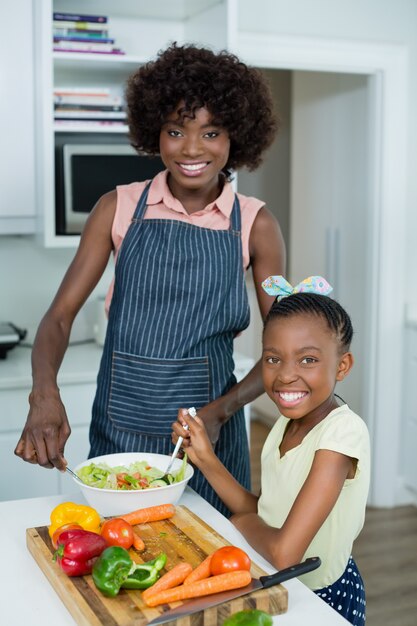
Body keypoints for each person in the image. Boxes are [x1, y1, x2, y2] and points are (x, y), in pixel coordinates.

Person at [14, 43, 286, 516]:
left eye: (212, 132)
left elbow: (281, 349)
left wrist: (219, 413)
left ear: (236, 137)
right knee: (123, 552)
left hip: (210, 431)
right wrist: (44, 395)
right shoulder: (116, 208)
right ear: (153, 132)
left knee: (212, 558)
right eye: (176, 130)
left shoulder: (255, 224)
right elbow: (58, 318)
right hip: (122, 423)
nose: (192, 148)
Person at [173, 276, 370, 626]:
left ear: (342, 366)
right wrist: (204, 457)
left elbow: (283, 553)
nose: (286, 376)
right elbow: (263, 511)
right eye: (273, 359)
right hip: (277, 588)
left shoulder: (341, 435)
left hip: (319, 600)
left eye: (307, 360)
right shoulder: (286, 424)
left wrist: (243, 524)